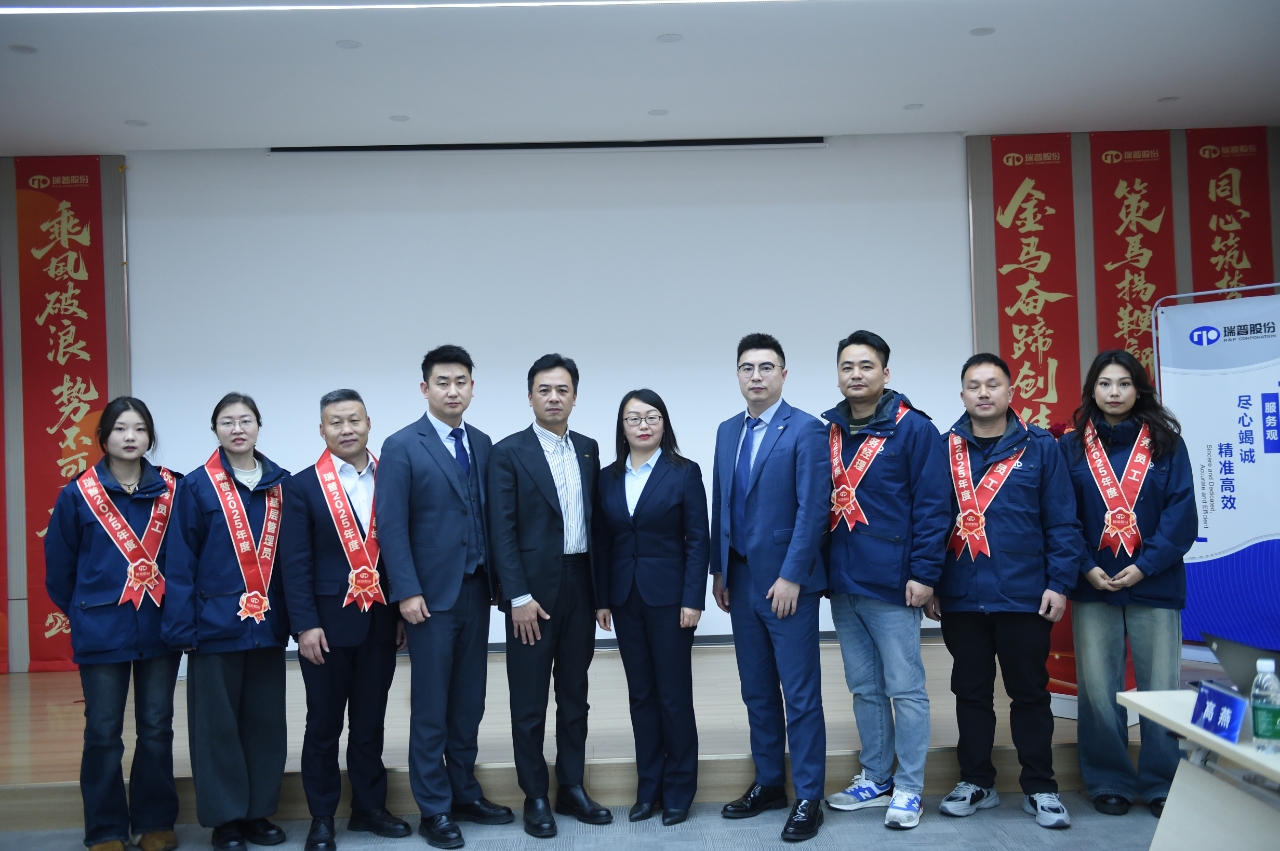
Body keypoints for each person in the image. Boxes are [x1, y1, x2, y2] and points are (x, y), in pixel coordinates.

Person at [378, 346, 514, 849]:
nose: (453, 390)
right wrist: (406, 591)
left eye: (461, 382)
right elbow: (391, 525)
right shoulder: (401, 445)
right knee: (431, 705)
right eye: (443, 382)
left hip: (477, 590)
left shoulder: (482, 442)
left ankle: (464, 792)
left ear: (472, 387)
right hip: (429, 598)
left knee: (469, 701)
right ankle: (433, 808)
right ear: (425, 389)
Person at [935, 353, 1079, 829]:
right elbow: (930, 521)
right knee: (970, 692)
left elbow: (1062, 521)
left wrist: (1058, 583)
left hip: (1024, 595)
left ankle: (1040, 787)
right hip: (962, 595)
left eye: (992, 384)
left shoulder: (1040, 447)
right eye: (974, 385)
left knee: (1029, 693)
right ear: (962, 395)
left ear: (1010, 392)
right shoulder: (943, 449)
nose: (983, 393)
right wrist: (931, 581)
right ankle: (976, 782)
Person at [820, 330, 951, 830]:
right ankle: (876, 776)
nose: (856, 374)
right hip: (843, 582)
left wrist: (924, 574)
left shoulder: (914, 429)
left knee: (906, 688)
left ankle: (910, 787)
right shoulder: (830, 431)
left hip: (895, 584)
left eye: (866, 366)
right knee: (863, 687)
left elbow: (934, 507)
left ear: (886, 373)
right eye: (847, 367)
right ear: (838, 375)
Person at [1060, 350, 1195, 819]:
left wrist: (1145, 566)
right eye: (1104, 384)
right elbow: (1061, 516)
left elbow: (1181, 516)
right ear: (1092, 391)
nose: (1114, 392)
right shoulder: (1072, 447)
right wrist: (1085, 566)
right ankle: (1108, 780)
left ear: (1139, 389)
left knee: (1161, 688)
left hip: (1155, 582)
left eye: (1123, 383)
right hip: (1093, 584)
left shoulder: (1167, 444)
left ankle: (1162, 782)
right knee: (1098, 689)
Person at [45, 397, 182, 851]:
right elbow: (60, 572)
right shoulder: (77, 494)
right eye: (120, 428)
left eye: (139, 429)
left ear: (150, 437)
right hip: (101, 630)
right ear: (103, 437)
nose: (130, 437)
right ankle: (105, 828)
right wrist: (88, 612)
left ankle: (154, 821)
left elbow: (185, 559)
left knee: (157, 727)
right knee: (103, 732)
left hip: (160, 628)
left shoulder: (173, 490)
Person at [278, 390, 411, 851]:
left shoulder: (391, 476)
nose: (347, 429)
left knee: (370, 722)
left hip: (380, 621)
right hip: (326, 628)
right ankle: (321, 816)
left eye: (354, 419)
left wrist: (399, 610)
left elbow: (398, 549)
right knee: (323, 724)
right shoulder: (302, 486)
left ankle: (368, 808)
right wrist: (304, 625)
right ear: (322, 430)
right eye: (336, 422)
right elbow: (294, 563)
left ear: (369, 423)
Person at [709, 333, 829, 843]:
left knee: (799, 694)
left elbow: (814, 509)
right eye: (747, 368)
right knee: (756, 689)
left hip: (787, 585)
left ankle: (809, 796)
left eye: (765, 367)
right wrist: (718, 570)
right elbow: (722, 502)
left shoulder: (806, 429)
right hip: (739, 580)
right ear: (737, 375)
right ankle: (770, 782)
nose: (755, 376)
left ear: (783, 373)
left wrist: (792, 575)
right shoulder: (726, 430)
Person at [487, 353, 610, 838]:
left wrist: (601, 593)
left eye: (562, 390)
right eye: (544, 390)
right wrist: (516, 596)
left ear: (575, 397)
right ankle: (535, 794)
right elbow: (502, 531)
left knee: (575, 693)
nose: (554, 398)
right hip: (532, 594)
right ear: (530, 396)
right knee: (529, 698)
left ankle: (571, 787)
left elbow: (598, 526)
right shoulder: (507, 452)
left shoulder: (589, 449)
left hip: (581, 582)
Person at [162, 393, 291, 851]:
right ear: (214, 429)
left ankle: (258, 813)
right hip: (213, 627)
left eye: (246, 420)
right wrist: (182, 628)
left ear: (259, 426)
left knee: (265, 723)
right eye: (227, 422)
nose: (238, 429)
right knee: (216, 727)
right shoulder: (197, 487)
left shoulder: (282, 485)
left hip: (268, 627)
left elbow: (294, 561)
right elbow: (179, 563)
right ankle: (226, 820)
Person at [593, 389, 709, 827]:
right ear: (622, 427)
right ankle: (649, 789)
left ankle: (679, 790)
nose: (643, 425)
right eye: (633, 418)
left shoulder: (684, 472)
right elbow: (603, 542)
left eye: (652, 417)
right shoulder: (606, 478)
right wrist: (602, 598)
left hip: (671, 601)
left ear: (664, 423)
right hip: (625, 599)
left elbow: (698, 540)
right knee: (641, 696)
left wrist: (693, 598)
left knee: (673, 696)